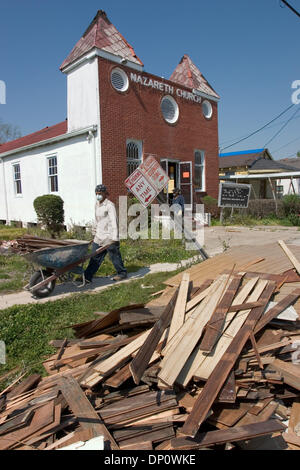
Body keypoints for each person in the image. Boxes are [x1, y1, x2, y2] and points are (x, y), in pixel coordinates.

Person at [84, 184, 127, 283]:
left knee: (114, 256)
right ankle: (87, 276)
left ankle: (122, 273)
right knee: (95, 257)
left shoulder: (109, 205)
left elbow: (114, 221)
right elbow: (97, 220)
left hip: (109, 236)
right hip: (99, 236)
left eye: (100, 193)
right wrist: (94, 231)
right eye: (96, 193)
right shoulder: (96, 205)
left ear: (104, 193)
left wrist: (115, 237)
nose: (98, 195)